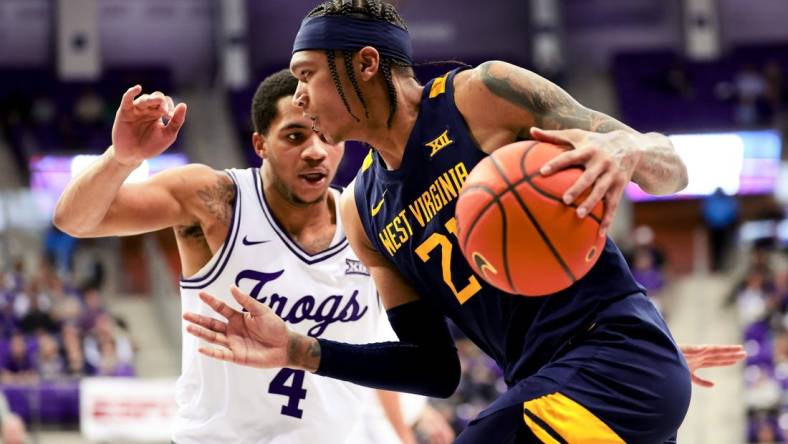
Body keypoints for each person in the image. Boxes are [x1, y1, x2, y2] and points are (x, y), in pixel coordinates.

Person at [184, 1, 747, 443]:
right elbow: (434, 370)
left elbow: (671, 169)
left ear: (365, 63)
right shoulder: (362, 210)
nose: (300, 96)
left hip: (616, 355)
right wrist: (298, 350)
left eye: (307, 74)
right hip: (552, 384)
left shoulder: (482, 96)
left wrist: (627, 151)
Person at [53, 69, 448, 443]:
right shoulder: (217, 200)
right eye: (294, 137)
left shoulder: (368, 221)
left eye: (325, 136)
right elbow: (75, 220)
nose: (315, 151)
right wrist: (122, 160)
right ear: (260, 144)